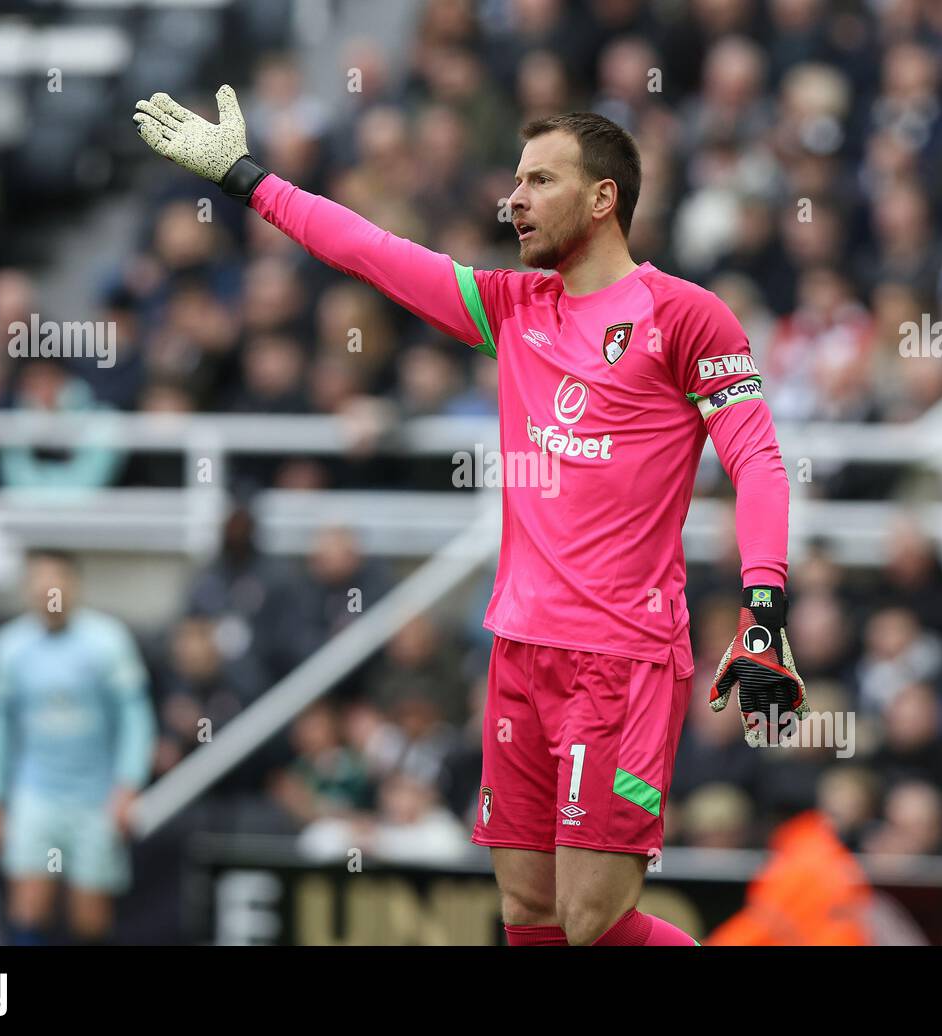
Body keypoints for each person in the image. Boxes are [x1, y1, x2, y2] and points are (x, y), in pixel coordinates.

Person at [133, 86, 802, 946]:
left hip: (622, 660)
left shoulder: (684, 317)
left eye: (540, 181)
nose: (514, 199)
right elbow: (371, 251)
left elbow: (759, 462)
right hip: (520, 651)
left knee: (593, 921)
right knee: (527, 913)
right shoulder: (512, 307)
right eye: (514, 181)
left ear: (604, 199)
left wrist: (763, 608)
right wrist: (244, 177)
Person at [0, 550, 156, 944]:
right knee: (28, 906)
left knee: (90, 919)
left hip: (95, 798)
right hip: (34, 793)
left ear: (74, 585)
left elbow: (136, 719)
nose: (47, 590)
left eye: (56, 580)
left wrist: (128, 785)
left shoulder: (107, 640)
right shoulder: (8, 647)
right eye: (39, 581)